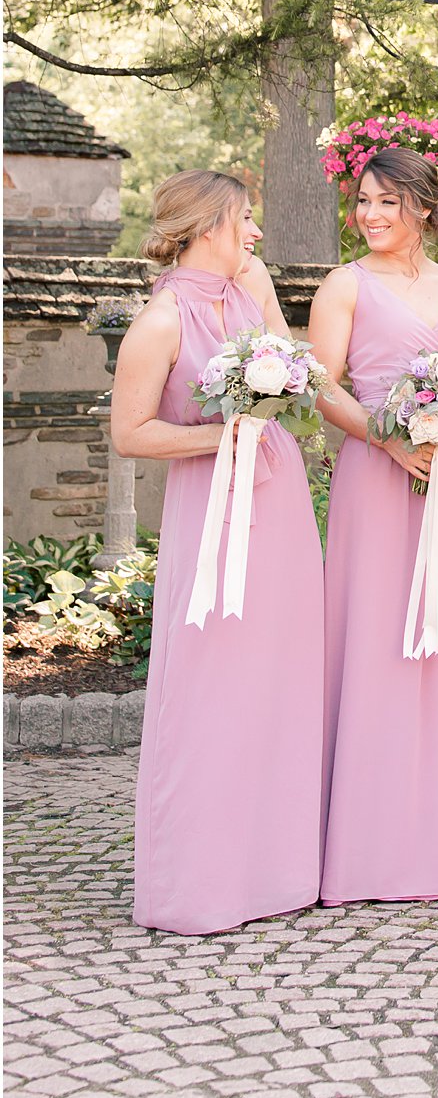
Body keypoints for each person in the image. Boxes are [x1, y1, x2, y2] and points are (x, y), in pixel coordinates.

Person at [112, 171, 322, 933]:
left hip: (279, 503)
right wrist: (220, 436)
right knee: (210, 690)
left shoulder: (248, 288)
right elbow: (129, 432)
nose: (256, 234)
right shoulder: (160, 321)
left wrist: (272, 391)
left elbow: (291, 377)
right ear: (210, 225)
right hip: (212, 516)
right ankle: (197, 883)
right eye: (246, 220)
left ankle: (275, 870)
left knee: (276, 680)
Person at [308, 143, 438, 905]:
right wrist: (387, 436)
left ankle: (434, 839)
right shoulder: (345, 285)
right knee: (375, 640)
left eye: (387, 201)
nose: (370, 215)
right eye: (363, 202)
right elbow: (321, 385)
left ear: (425, 208)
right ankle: (367, 845)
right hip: (375, 484)